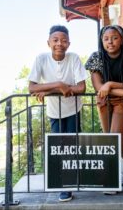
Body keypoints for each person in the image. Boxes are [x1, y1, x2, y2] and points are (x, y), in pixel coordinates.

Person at [28, 25, 88, 202]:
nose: (59, 44)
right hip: (54, 112)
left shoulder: (74, 58)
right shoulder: (41, 59)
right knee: (59, 148)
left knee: (72, 147)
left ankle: (69, 186)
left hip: (73, 109)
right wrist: (58, 85)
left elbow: (82, 88)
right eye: (55, 40)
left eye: (63, 40)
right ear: (48, 43)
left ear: (68, 44)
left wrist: (50, 88)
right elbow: (32, 87)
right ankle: (63, 183)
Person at [85, 25, 123, 191]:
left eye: (114, 38)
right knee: (112, 139)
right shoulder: (96, 57)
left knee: (113, 138)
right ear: (101, 41)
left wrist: (110, 84)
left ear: (122, 39)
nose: (110, 42)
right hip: (104, 101)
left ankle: (110, 180)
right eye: (106, 39)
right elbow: (99, 87)